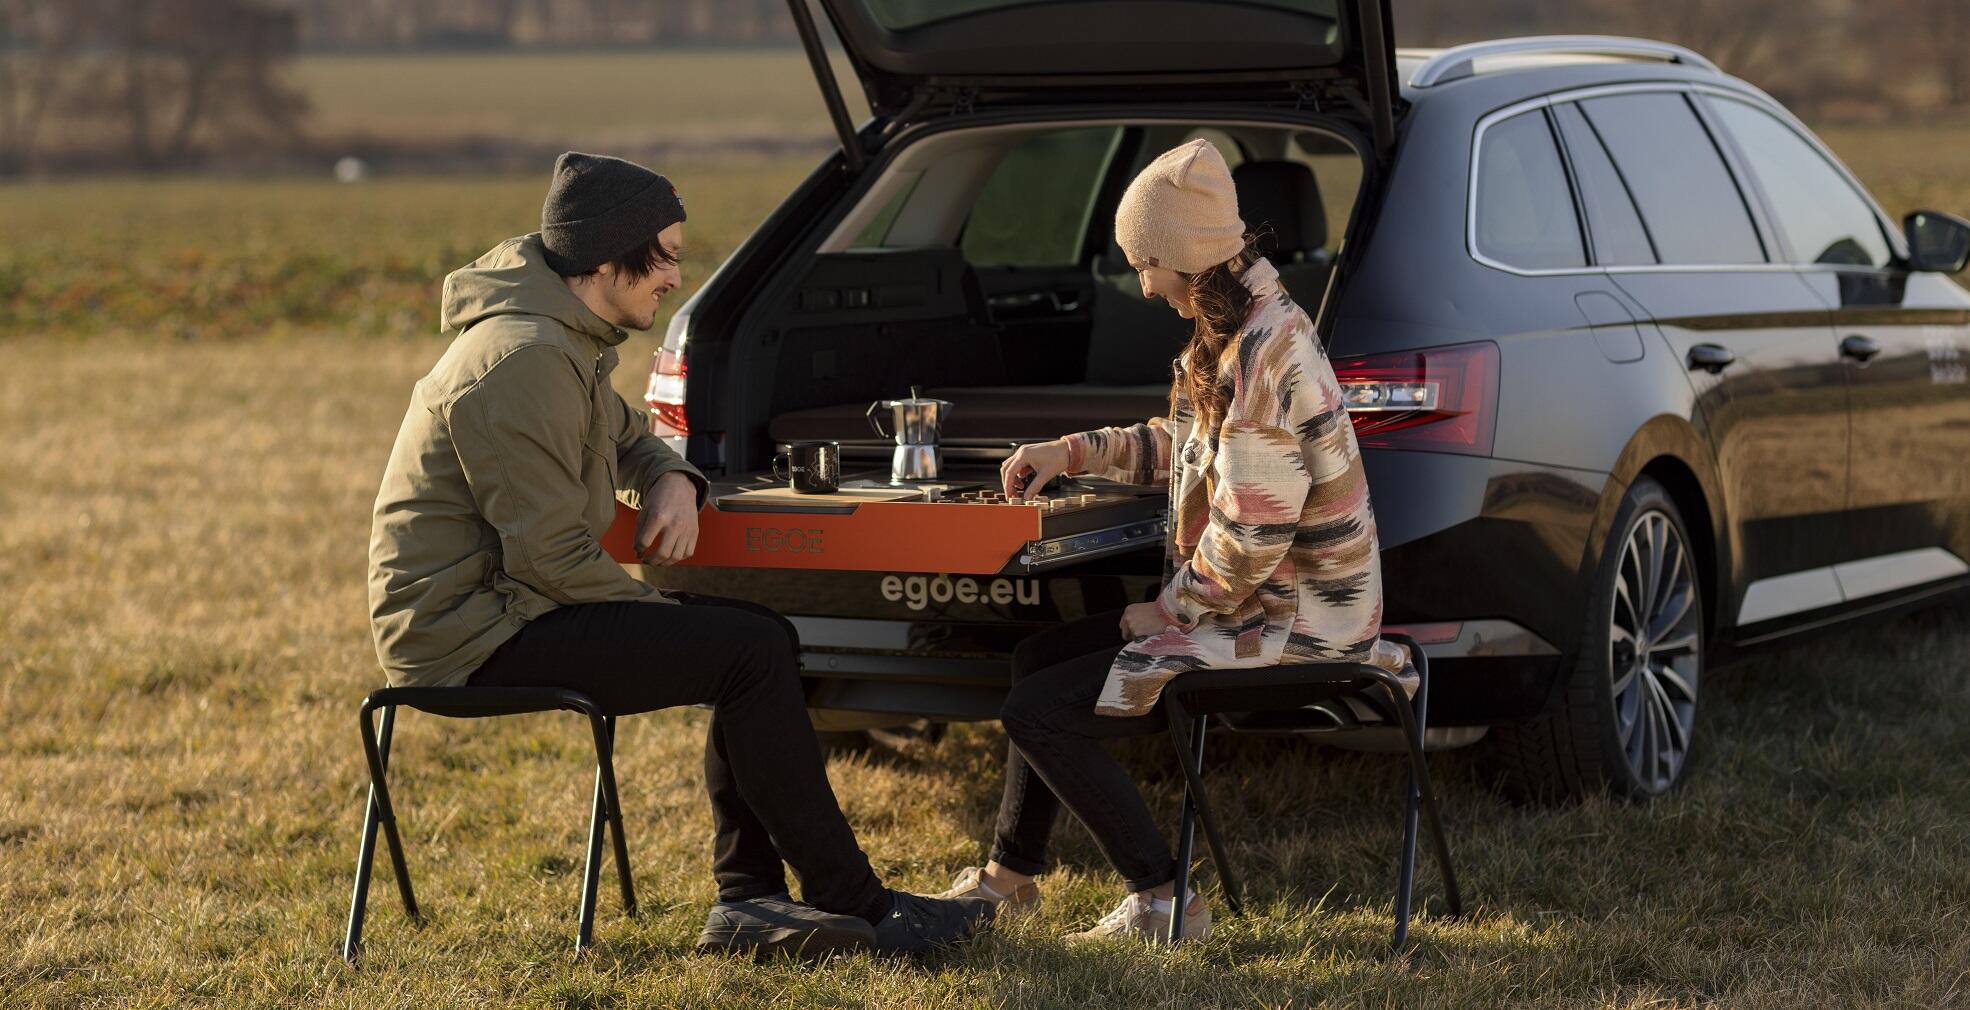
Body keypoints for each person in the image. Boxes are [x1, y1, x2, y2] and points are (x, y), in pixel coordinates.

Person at [366, 151, 992, 959]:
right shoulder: (522, 361)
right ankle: (847, 905)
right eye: (661, 255)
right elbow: (550, 556)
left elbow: (637, 442)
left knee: (753, 642)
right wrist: (665, 616)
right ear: (605, 257)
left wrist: (676, 483)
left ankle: (756, 902)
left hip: (512, 608)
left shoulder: (566, 342)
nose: (672, 276)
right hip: (468, 635)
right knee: (748, 649)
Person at [935, 138, 1412, 942]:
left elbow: (1254, 530)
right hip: (1252, 605)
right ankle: (1010, 882)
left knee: (1038, 708)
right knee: (1034, 665)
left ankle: (1164, 901)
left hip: (1296, 626)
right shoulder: (1229, 326)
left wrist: (1168, 610)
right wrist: (1072, 453)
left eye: (1146, 263)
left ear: (1184, 257)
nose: (1142, 282)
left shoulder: (1269, 350)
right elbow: (1180, 444)